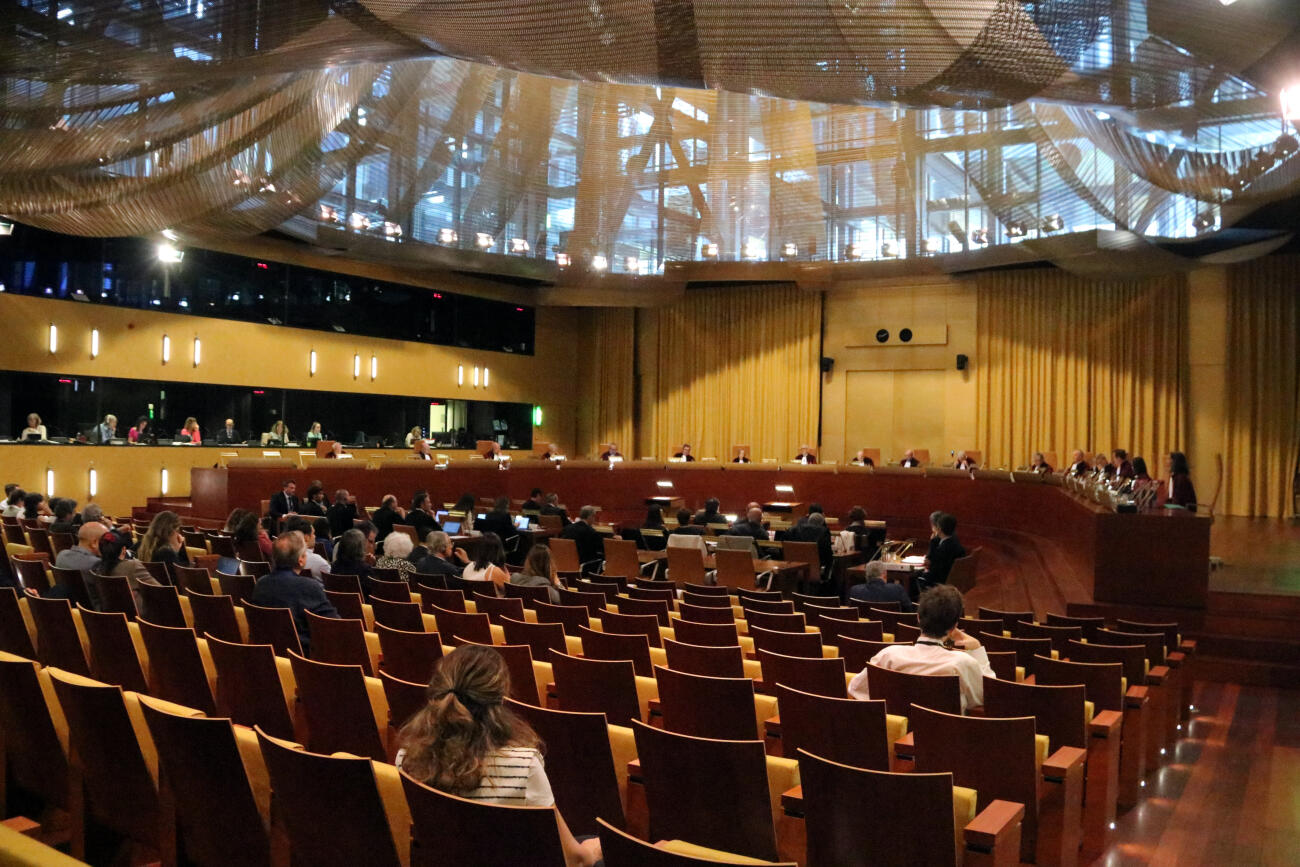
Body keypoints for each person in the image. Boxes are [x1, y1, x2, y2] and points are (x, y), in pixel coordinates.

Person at [395, 645, 602, 867]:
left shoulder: (408, 757)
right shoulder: (523, 766)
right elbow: (572, 860)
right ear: (501, 700)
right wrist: (594, 849)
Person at [849, 584, 993, 713]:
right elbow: (987, 696)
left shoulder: (889, 655)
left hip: (894, 737)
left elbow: (855, 688)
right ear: (955, 626)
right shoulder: (962, 663)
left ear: (918, 618)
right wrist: (977, 649)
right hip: (946, 738)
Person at [249, 533, 339, 654]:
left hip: (266, 656)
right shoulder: (309, 587)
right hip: (302, 660)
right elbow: (334, 624)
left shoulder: (260, 584)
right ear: (301, 560)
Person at [96, 529, 161, 609]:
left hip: (112, 615)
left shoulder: (98, 569)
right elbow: (159, 590)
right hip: (141, 616)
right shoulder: (132, 566)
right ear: (123, 550)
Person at [911, 511, 966, 600]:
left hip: (940, 581)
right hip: (950, 579)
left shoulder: (942, 549)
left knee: (913, 579)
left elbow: (932, 570)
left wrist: (920, 573)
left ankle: (915, 608)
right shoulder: (955, 543)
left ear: (939, 529)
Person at [783, 511, 833, 583]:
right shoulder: (824, 532)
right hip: (815, 572)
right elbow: (828, 556)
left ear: (808, 521)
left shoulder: (793, 530)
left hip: (793, 571)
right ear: (822, 523)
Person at [848, 560, 913, 612]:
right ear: (885, 574)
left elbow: (851, 612)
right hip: (892, 627)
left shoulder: (855, 591)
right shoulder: (897, 589)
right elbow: (909, 612)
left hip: (864, 627)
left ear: (866, 575)